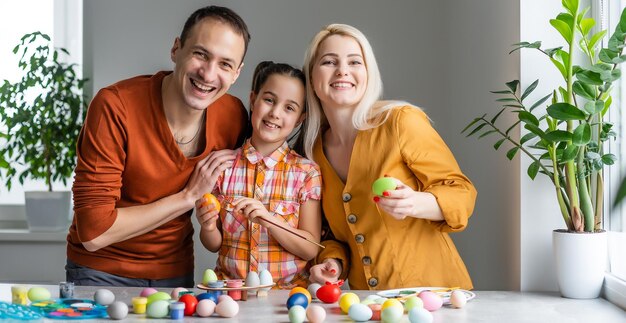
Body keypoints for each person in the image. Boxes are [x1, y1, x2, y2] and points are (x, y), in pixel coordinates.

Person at [66, 5, 251, 287]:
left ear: (236, 74)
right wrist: (188, 196)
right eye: (200, 54)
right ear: (176, 49)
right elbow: (94, 234)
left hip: (174, 274)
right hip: (100, 270)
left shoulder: (233, 116)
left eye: (225, 64)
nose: (209, 74)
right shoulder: (115, 107)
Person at [304, 24, 477, 290]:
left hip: (436, 297)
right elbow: (333, 236)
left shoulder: (399, 121)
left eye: (354, 61)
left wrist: (415, 202)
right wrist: (333, 262)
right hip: (369, 307)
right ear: (312, 77)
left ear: (368, 74)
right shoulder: (313, 152)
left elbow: (463, 194)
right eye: (329, 61)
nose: (342, 70)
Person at [195, 61, 322, 289]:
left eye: (289, 108)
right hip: (231, 293)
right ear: (253, 100)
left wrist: (270, 221)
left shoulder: (306, 172)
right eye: (269, 100)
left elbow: (311, 247)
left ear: (300, 119)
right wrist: (208, 227)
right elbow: (214, 244)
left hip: (286, 296)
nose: (275, 113)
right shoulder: (223, 166)